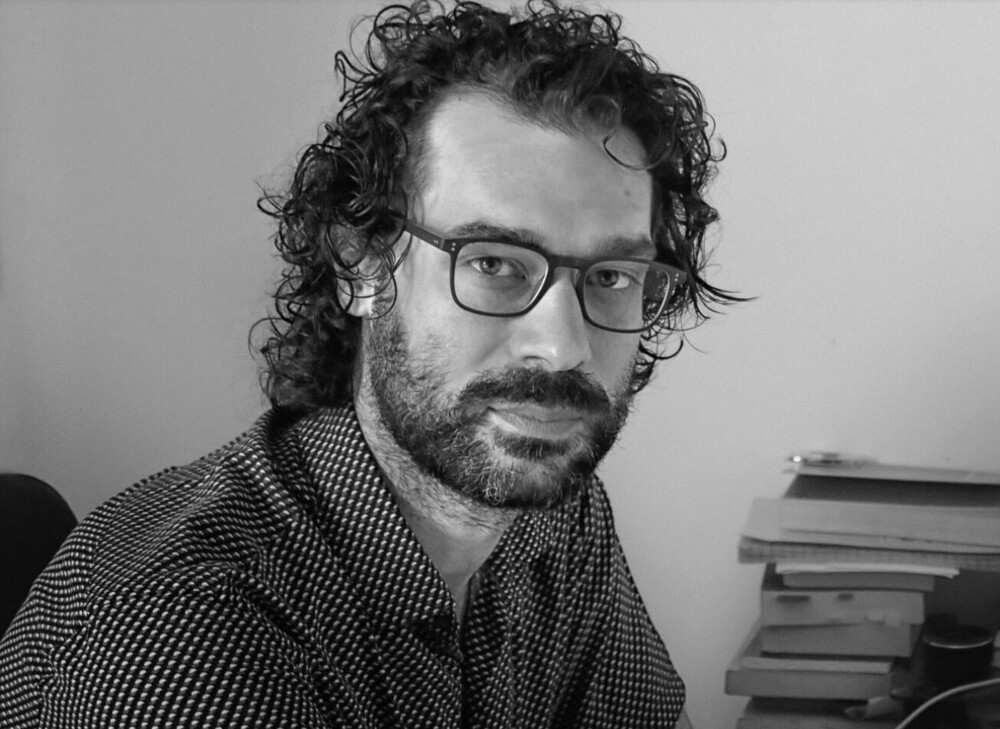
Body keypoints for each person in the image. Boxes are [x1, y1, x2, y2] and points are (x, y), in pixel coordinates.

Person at [0, 1, 737, 726]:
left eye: (611, 276)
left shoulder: (551, 506)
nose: (565, 347)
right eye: (493, 264)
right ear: (362, 267)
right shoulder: (185, 637)